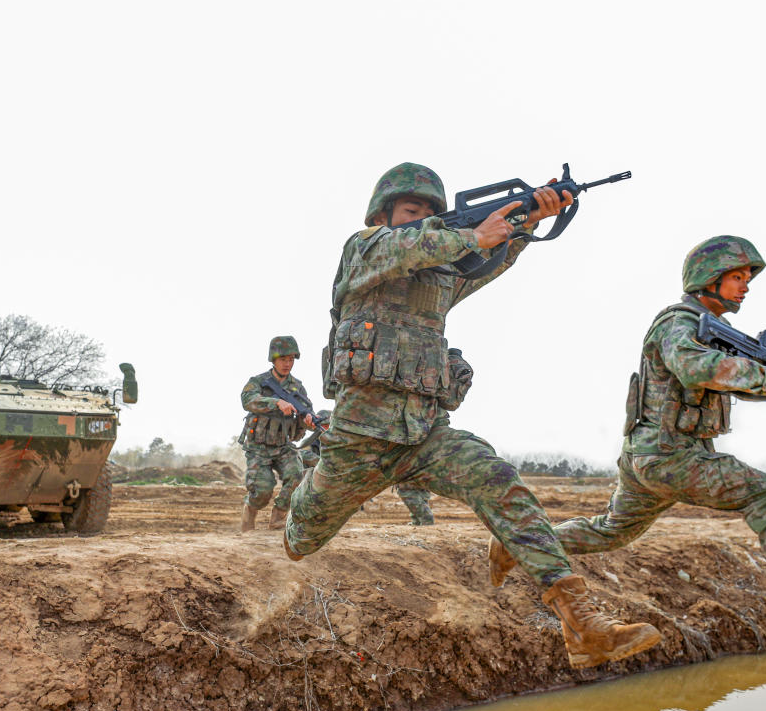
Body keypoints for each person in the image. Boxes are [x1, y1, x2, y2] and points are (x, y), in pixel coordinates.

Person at [285, 162, 662, 669]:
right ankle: (298, 505)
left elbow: (484, 263)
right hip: (358, 441)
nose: (420, 218)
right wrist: (470, 232)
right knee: (301, 539)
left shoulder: (438, 277)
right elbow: (416, 245)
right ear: (383, 215)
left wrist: (530, 221)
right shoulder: (364, 250)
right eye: (411, 210)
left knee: (498, 477)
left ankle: (582, 626)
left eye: (429, 211)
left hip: (425, 435)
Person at [490, 235, 766, 649]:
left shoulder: (715, 331)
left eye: (746, 278)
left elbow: (742, 384)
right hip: (671, 456)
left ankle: (517, 543)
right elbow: (693, 366)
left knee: (611, 532)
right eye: (737, 277)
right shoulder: (678, 323)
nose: (746, 286)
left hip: (650, 455)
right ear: (709, 278)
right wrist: (763, 374)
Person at [298, 413, 433, 525]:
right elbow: (302, 454)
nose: (327, 429)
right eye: (324, 426)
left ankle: (424, 522)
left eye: (329, 425)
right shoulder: (314, 441)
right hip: (321, 478)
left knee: (412, 493)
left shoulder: (345, 438)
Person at [239, 336, 314, 531]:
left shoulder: (297, 387)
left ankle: (278, 518)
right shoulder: (259, 382)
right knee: (262, 490)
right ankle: (250, 512)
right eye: (283, 359)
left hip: (283, 447)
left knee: (297, 476)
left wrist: (309, 421)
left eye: (291, 360)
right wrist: (275, 403)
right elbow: (248, 400)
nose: (287, 364)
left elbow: (307, 412)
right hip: (258, 448)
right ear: (273, 359)